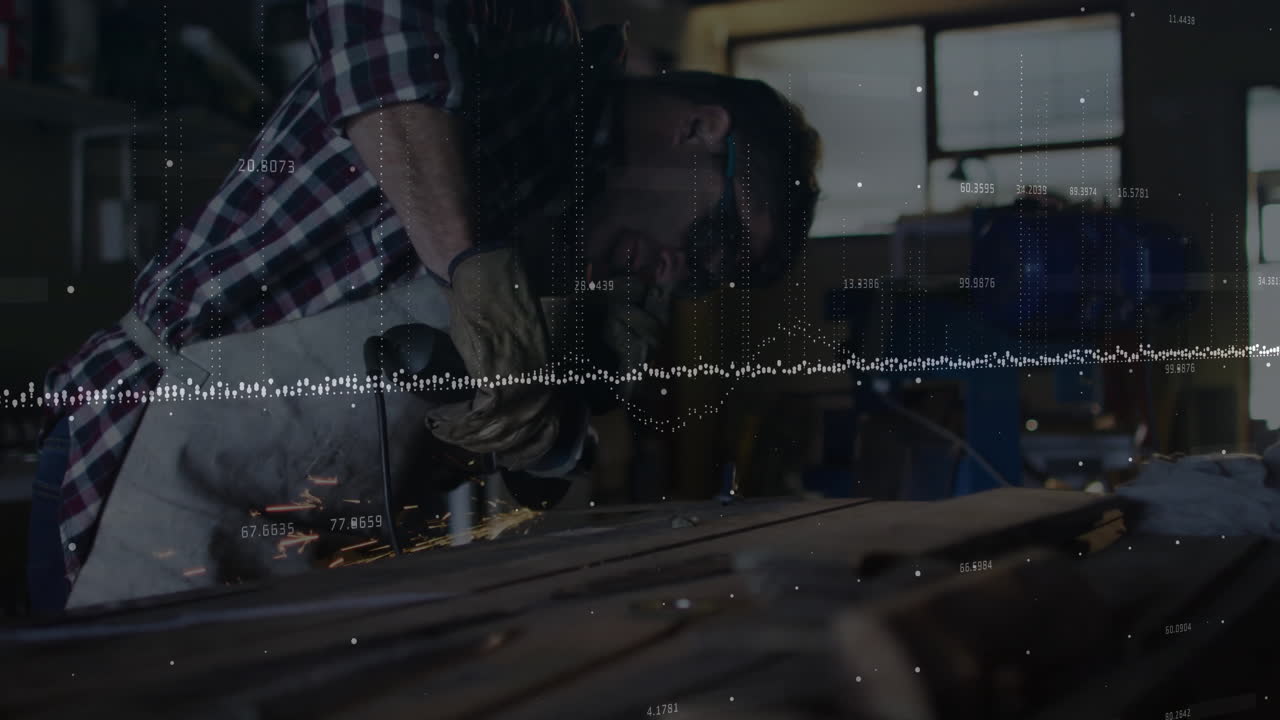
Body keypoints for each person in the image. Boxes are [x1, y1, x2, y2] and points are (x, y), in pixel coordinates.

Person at [27, 0, 821, 611]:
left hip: (303, 544)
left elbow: (488, 450)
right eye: (712, 237)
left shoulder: (566, 233)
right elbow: (373, 25)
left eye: (709, 277)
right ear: (698, 129)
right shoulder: (529, 41)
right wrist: (468, 260)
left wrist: (559, 405)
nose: (682, 269)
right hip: (153, 458)